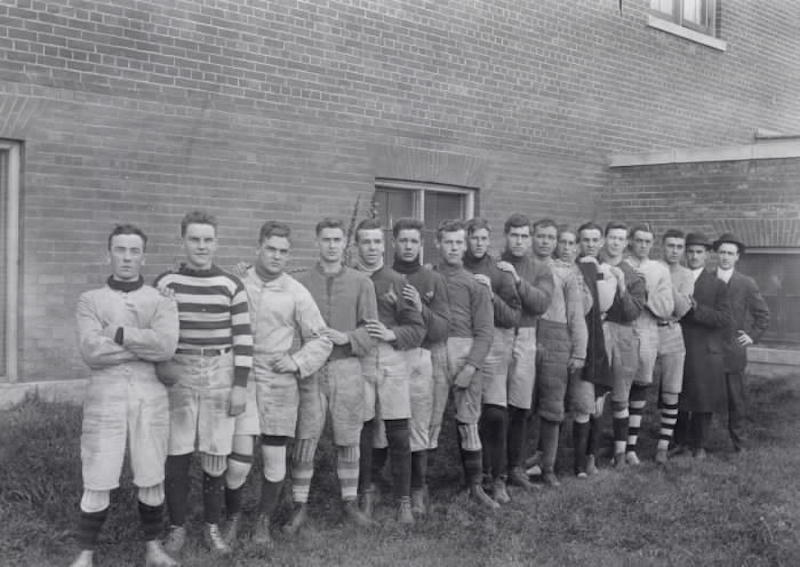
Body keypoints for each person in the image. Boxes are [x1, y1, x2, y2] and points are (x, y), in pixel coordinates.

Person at [71, 224, 179, 567]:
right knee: (99, 472)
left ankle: (153, 549)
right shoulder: (90, 300)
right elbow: (91, 352)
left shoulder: (160, 300)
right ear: (109, 254)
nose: (127, 258)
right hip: (106, 396)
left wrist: (117, 333)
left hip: (150, 397)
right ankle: (85, 554)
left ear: (143, 256)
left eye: (134, 251)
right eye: (120, 250)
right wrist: (142, 344)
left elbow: (166, 345)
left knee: (151, 472)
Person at [154, 211, 253, 557]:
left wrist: (240, 384)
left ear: (216, 242)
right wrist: (163, 362)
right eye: (194, 239)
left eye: (208, 239)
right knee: (177, 451)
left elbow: (243, 338)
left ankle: (212, 526)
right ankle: (177, 527)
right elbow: (156, 332)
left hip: (220, 369)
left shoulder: (231, 285)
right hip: (180, 369)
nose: (201, 246)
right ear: (182, 240)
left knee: (216, 450)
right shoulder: (166, 283)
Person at [239, 221, 332, 546]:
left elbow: (322, 338)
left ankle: (262, 522)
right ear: (258, 248)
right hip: (241, 378)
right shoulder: (238, 283)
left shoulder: (295, 291)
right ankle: (230, 519)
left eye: (283, 251)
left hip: (279, 382)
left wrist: (296, 362)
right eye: (271, 249)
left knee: (274, 456)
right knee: (237, 456)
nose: (277, 256)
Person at [284, 218, 376, 533]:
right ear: (317, 242)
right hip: (310, 370)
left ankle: (349, 502)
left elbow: (372, 331)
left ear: (345, 244)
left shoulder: (362, 282)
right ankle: (299, 505)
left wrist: (348, 338)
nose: (332, 245)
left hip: (347, 367)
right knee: (305, 436)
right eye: (326, 239)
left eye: (337, 240)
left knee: (349, 436)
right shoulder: (299, 282)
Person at [353, 218, 426, 524]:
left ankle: (403, 499)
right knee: (365, 432)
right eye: (365, 242)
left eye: (376, 242)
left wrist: (392, 333)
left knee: (398, 433)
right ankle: (366, 493)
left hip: (392, 360)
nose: (371, 248)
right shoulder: (349, 279)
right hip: (358, 362)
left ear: (384, 245)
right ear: (356, 246)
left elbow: (417, 329)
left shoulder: (397, 280)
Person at [431, 219, 497, 509]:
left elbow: (485, 332)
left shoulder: (476, 284)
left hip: (465, 352)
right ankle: (421, 488)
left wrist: (471, 366)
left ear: (465, 245)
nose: (454, 248)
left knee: (469, 422)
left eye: (459, 242)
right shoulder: (427, 277)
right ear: (438, 244)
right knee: (427, 421)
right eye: (448, 242)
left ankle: (475, 486)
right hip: (432, 353)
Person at [390, 218, 451, 515]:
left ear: (421, 244)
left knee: (418, 425)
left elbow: (441, 330)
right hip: (387, 356)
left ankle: (417, 488)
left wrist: (420, 307)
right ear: (394, 243)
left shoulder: (431, 279)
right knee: (381, 425)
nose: (409, 246)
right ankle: (376, 486)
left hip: (419, 357)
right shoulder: (382, 275)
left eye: (414, 241)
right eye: (403, 241)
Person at [463, 217, 524, 497]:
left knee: (495, 414)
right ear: (466, 239)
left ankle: (497, 478)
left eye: (484, 239)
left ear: (490, 241)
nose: (479, 243)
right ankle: (476, 478)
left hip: (495, 348)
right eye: (474, 238)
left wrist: (491, 294)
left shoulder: (500, 272)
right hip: (465, 346)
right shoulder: (456, 268)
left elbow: (513, 316)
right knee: (468, 416)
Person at [521, 219, 583, 486]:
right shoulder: (521, 266)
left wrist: (579, 351)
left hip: (557, 339)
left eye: (551, 237)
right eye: (541, 236)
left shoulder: (567, 273)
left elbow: (577, 314)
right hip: (525, 335)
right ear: (533, 237)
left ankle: (548, 467)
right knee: (522, 402)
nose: (545, 241)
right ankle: (518, 464)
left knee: (552, 406)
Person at [674, 232, 732, 458]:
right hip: (680, 344)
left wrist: (697, 310)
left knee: (702, 397)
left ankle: (699, 444)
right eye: (690, 251)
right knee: (678, 394)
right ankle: (679, 441)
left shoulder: (717, 285)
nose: (694, 256)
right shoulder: (677, 278)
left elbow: (724, 318)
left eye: (699, 252)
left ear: (708, 255)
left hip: (705, 349)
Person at [712, 233, 770, 452]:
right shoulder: (707, 279)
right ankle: (698, 442)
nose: (725, 257)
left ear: (737, 257)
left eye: (730, 253)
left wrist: (752, 336)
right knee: (704, 395)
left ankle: (739, 442)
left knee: (736, 399)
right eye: (722, 252)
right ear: (716, 254)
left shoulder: (746, 283)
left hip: (733, 351)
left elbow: (763, 315)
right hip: (709, 350)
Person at [623, 224, 674, 465]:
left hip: (646, 331)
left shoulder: (659, 270)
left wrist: (644, 292)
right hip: (622, 330)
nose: (643, 245)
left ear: (652, 244)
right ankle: (615, 444)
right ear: (631, 241)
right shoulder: (621, 265)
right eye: (639, 240)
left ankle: (630, 447)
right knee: (617, 388)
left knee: (639, 387)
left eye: (648, 241)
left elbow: (666, 308)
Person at [597, 222, 646, 468]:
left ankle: (620, 453)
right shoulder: (593, 265)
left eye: (620, 238)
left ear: (626, 243)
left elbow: (631, 313)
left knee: (620, 394)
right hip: (598, 332)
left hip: (624, 335)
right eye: (612, 237)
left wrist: (622, 286)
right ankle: (589, 454)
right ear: (605, 239)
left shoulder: (633, 275)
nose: (615, 242)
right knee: (594, 393)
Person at [568, 222, 614, 476]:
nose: (591, 244)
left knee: (598, 399)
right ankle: (579, 461)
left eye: (596, 240)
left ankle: (591, 457)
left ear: (602, 242)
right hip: (585, 334)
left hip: (604, 334)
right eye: (585, 240)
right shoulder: (579, 268)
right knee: (585, 400)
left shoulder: (607, 269)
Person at [653, 229, 694, 464]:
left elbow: (682, 309)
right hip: (648, 327)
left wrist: (666, 280)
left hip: (672, 331)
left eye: (679, 247)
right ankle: (627, 444)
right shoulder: (651, 266)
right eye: (671, 246)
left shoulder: (686, 274)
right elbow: (647, 302)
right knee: (634, 385)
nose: (675, 251)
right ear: (662, 246)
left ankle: (662, 445)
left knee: (672, 388)